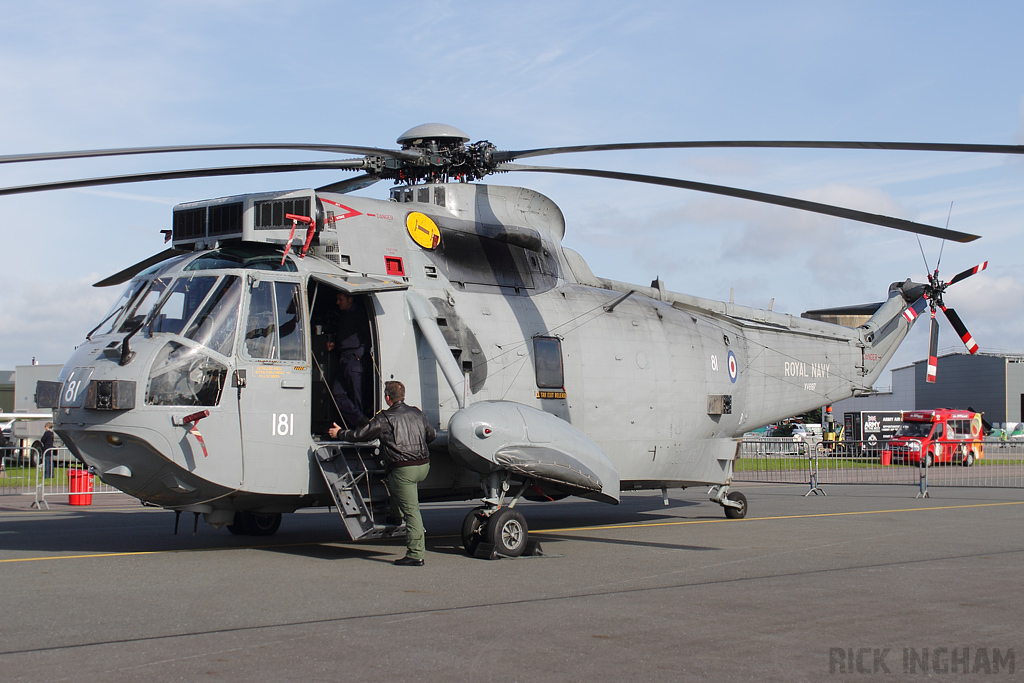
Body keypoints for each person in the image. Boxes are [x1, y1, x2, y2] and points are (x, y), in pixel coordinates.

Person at [330, 380, 435, 566]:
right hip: (423, 466)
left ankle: (416, 554)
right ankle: (395, 515)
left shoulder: (385, 418)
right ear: (403, 396)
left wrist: (339, 433)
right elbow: (431, 435)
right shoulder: (417, 413)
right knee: (395, 481)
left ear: (387, 398)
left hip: (404, 468)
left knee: (412, 511)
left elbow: (360, 435)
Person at [324, 292, 370, 428]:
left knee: (357, 396)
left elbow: (367, 335)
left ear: (350, 299)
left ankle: (362, 429)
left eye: (340, 299)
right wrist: (335, 346)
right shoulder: (343, 316)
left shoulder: (360, 313)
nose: (338, 302)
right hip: (343, 357)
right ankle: (360, 422)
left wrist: (359, 354)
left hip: (353, 358)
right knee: (337, 393)